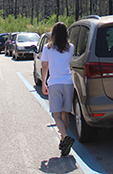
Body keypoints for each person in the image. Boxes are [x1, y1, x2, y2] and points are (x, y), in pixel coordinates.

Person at [41, 22, 75, 156]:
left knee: (56, 114)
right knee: (65, 113)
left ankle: (65, 137)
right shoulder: (70, 47)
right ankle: (64, 143)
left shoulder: (47, 48)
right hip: (68, 83)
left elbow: (45, 66)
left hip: (55, 83)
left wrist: (44, 83)